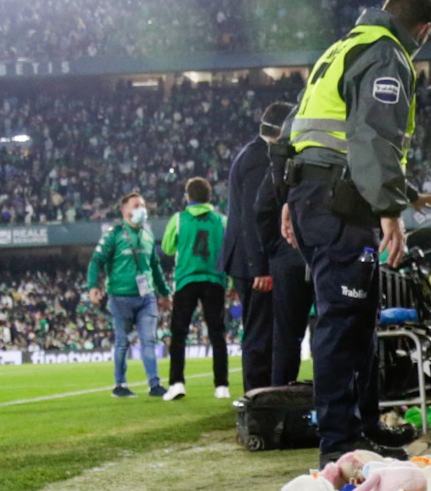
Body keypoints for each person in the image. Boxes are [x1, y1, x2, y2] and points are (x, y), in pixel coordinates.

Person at [280, 0, 431, 462]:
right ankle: (338, 443)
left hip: (316, 193)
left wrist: (291, 196)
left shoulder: (343, 46)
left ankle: (362, 428)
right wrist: (391, 210)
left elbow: (302, 129)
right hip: (339, 202)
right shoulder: (387, 53)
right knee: (343, 319)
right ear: (424, 29)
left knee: (359, 317)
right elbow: (372, 136)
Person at [222, 101, 290, 393]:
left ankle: (261, 395)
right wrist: (259, 267)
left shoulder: (254, 154)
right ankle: (258, 398)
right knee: (260, 333)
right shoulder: (258, 160)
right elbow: (252, 218)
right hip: (253, 263)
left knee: (262, 331)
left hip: (250, 260)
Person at [84, 190, 170, 398]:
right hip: (120, 297)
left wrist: (165, 293)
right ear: (125, 212)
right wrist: (93, 286)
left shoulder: (148, 235)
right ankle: (120, 385)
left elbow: (155, 267)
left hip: (146, 297)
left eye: (143, 205)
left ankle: (154, 384)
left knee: (148, 340)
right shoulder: (114, 235)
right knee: (123, 342)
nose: (142, 209)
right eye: (136, 206)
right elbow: (96, 261)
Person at [160, 176, 233, 400]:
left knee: (179, 333)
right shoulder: (221, 220)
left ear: (188, 196)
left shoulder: (179, 219)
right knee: (217, 333)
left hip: (186, 280)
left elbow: (167, 248)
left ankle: (177, 383)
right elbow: (229, 251)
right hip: (214, 280)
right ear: (209, 197)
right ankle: (221, 386)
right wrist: (229, 282)